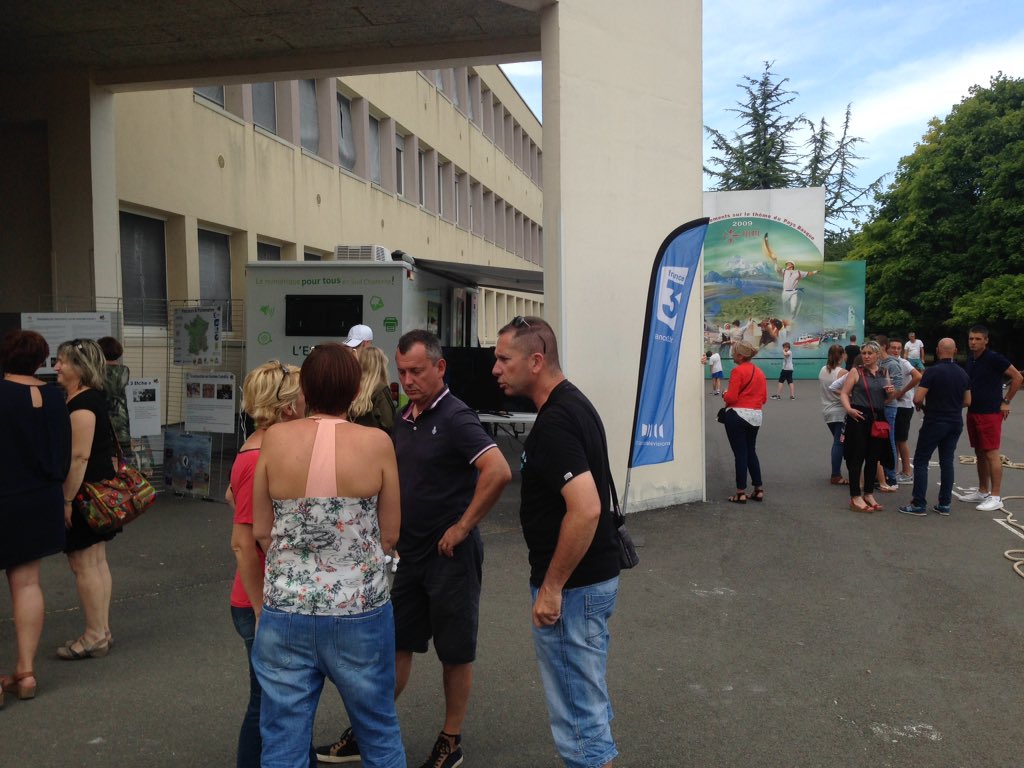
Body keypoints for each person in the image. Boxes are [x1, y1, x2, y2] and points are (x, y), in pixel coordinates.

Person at [316, 330, 511, 768]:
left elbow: (497, 471)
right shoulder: (405, 417)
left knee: (455, 651)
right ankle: (369, 732)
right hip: (407, 557)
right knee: (396, 647)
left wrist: (462, 528)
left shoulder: (457, 416)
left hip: (449, 558)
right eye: (402, 372)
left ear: (440, 368)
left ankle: (451, 740)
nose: (408, 380)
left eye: (417, 371)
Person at [252, 343, 405, 768]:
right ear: (355, 388)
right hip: (359, 608)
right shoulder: (377, 443)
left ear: (305, 387)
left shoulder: (276, 439)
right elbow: (390, 534)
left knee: (282, 737)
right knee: (378, 729)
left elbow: (261, 529)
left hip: (287, 607)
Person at [491, 315, 622, 768]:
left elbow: (586, 508)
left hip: (574, 589)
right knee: (586, 703)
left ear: (536, 360)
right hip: (588, 583)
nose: (495, 369)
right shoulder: (574, 404)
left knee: (579, 718)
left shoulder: (557, 421)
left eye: (504, 359)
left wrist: (552, 588)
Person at [225, 361, 304, 768]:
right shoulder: (258, 456)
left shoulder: (260, 448)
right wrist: (261, 611)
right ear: (287, 406)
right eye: (302, 394)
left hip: (269, 600)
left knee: (282, 701)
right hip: (261, 604)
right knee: (268, 704)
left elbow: (231, 496)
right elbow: (242, 543)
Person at [0, 331, 71, 703]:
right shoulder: (56, 398)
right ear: (42, 360)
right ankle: (25, 672)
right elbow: (64, 452)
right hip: (41, 497)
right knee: (27, 584)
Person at [55, 339, 118, 660]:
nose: (56, 367)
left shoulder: (81, 405)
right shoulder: (94, 398)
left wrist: (66, 500)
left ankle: (94, 635)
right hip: (98, 493)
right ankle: (102, 631)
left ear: (79, 367)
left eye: (62, 362)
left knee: (84, 565)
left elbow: (79, 457)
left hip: (83, 493)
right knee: (96, 562)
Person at [898, 339, 971, 517]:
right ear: (955, 351)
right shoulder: (963, 374)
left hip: (935, 420)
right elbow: (968, 401)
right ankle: (944, 503)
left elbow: (917, 397)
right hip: (955, 421)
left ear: (938, 350)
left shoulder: (932, 372)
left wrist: (923, 407)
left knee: (922, 460)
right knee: (947, 460)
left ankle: (918, 503)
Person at [960, 324, 1023, 512]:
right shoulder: (971, 360)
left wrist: (1006, 401)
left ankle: (996, 496)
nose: (973, 342)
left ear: (986, 340)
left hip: (990, 412)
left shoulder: (994, 358)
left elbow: (1017, 377)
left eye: (978, 339)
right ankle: (982, 490)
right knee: (979, 452)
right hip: (974, 411)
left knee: (991, 453)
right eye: (971, 338)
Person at [839, 341, 896, 512]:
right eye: (864, 353)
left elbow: (888, 398)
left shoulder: (884, 372)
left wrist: (891, 392)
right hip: (859, 417)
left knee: (873, 458)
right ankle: (855, 496)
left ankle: (869, 493)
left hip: (878, 418)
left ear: (878, 355)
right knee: (857, 457)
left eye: (870, 353)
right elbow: (843, 392)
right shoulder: (856, 371)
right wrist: (849, 409)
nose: (866, 356)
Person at [720, 341, 768, 503]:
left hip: (738, 415)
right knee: (750, 451)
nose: (732, 355)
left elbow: (731, 397)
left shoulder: (737, 371)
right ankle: (758, 488)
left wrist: (724, 395)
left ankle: (740, 492)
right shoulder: (759, 372)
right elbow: (764, 399)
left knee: (740, 453)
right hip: (755, 415)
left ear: (740, 356)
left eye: (734, 352)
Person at [888, 339, 923, 483]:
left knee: (901, 440)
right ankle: (894, 470)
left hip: (904, 405)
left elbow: (918, 376)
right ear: (888, 349)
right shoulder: (888, 363)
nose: (896, 350)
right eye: (893, 348)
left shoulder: (904, 363)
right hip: (894, 404)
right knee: (894, 440)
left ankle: (907, 472)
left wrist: (903, 391)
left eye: (898, 348)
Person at [762, 233, 819, 318]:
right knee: (785, 309)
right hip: (785, 292)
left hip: (793, 292)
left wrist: (815, 271)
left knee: (794, 307)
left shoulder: (798, 272)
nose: (787, 264)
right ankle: (786, 320)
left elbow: (808, 273)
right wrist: (775, 261)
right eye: (786, 264)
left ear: (792, 265)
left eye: (788, 263)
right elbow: (777, 269)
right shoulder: (784, 271)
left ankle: (792, 318)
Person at [875, 335, 904, 491]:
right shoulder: (878, 363)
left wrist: (886, 401)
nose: (873, 351)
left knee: (890, 441)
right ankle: (881, 474)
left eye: (876, 347)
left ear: (884, 346)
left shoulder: (892, 364)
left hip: (888, 407)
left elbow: (898, 388)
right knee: (878, 441)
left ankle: (892, 477)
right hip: (878, 406)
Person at [819, 344, 849, 485]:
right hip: (840, 411)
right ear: (842, 355)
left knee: (840, 442)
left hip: (827, 410)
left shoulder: (823, 370)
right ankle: (836, 474)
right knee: (839, 442)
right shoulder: (842, 372)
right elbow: (849, 391)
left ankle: (839, 472)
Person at [350, 346, 397, 432]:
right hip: (375, 442)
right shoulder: (381, 389)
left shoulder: (351, 387)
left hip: (352, 439)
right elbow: (388, 423)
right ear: (381, 365)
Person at [97, 336, 131, 449]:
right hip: (121, 416)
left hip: (101, 418)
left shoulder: (96, 371)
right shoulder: (124, 370)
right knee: (123, 457)